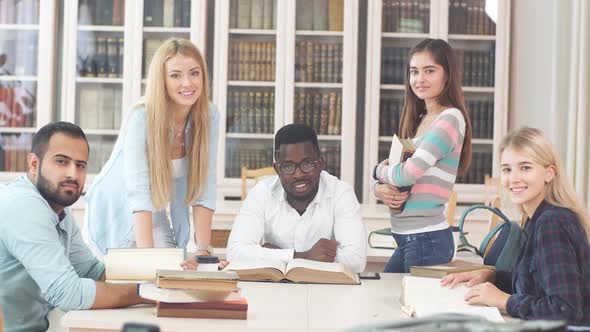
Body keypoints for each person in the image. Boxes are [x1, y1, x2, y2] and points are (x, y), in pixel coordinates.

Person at [0, 122, 154, 332]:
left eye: (80, 165)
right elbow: (68, 294)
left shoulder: (58, 209)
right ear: (34, 164)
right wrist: (148, 292)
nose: (73, 174)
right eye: (61, 162)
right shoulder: (23, 205)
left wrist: (163, 274)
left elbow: (90, 270)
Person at [84, 38, 219, 256]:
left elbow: (206, 185)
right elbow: (137, 191)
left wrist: (203, 250)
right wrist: (145, 258)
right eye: (175, 75)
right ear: (162, 80)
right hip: (115, 208)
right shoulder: (142, 116)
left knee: (171, 269)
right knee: (126, 280)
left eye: (194, 73)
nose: (188, 83)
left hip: (152, 207)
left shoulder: (209, 115)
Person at [441, 127, 590, 325]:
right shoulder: (535, 218)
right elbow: (535, 281)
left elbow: (565, 309)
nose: (514, 179)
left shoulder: (551, 223)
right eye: (507, 169)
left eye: (525, 167)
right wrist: (492, 276)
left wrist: (504, 301)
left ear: (549, 173)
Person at [371, 38, 472, 273]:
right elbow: (396, 174)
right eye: (414, 71)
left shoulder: (450, 119)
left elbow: (406, 174)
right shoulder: (419, 120)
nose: (420, 79)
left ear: (447, 75)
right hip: (409, 238)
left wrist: (376, 171)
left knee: (407, 308)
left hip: (426, 239)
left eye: (429, 71)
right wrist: (378, 188)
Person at [226, 124, 367, 273]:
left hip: (328, 291)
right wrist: (302, 256)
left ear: (320, 164)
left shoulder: (341, 193)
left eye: (306, 164)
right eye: (288, 166)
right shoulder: (261, 192)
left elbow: (356, 260)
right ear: (277, 170)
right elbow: (235, 253)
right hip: (275, 291)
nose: (298, 174)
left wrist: (270, 255)